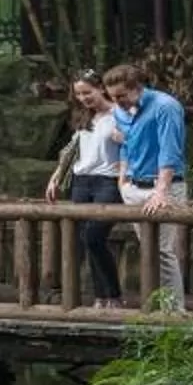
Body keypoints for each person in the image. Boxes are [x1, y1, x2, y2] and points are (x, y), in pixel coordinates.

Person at [102, 63, 189, 311]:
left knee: (161, 251)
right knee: (149, 250)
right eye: (112, 97)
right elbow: (126, 143)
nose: (116, 101)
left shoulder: (165, 107)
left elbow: (170, 150)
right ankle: (156, 307)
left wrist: (161, 191)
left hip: (162, 184)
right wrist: (122, 179)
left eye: (121, 96)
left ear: (136, 88)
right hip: (133, 185)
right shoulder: (121, 111)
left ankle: (173, 312)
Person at [43, 77, 125, 305]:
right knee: (83, 239)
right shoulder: (83, 117)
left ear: (101, 88)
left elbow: (136, 142)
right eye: (79, 94)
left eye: (87, 92)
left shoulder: (120, 113)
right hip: (81, 180)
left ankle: (113, 294)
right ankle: (101, 295)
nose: (83, 98)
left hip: (108, 180)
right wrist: (56, 176)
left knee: (94, 235)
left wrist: (124, 140)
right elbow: (72, 148)